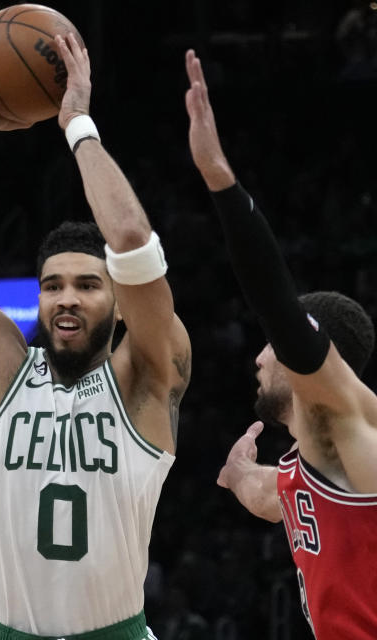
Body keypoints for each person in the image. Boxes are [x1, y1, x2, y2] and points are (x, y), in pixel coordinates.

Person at [0, 33, 190, 639]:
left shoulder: (146, 375)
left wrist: (78, 125)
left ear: (120, 308)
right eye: (54, 285)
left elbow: (132, 241)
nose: (67, 298)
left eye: (89, 286)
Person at [185, 49, 377, 638]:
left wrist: (220, 179)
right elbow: (270, 495)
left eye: (272, 345)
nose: (259, 355)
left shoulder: (350, 425)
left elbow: (277, 304)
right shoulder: (309, 463)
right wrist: (240, 470)